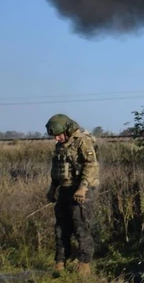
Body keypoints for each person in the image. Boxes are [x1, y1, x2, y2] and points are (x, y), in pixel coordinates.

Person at [44, 113, 99, 276]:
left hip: (82, 191)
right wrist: (53, 188)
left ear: (67, 130)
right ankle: (61, 261)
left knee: (80, 226)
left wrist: (82, 188)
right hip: (65, 190)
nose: (56, 139)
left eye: (58, 135)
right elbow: (57, 169)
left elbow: (91, 165)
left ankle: (84, 262)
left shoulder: (82, 141)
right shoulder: (60, 145)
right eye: (54, 136)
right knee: (61, 228)